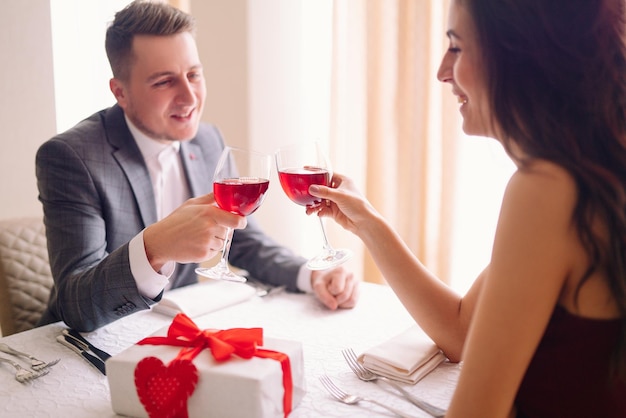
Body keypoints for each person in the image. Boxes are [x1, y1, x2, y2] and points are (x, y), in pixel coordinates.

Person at [307, 0, 626, 416]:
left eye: (456, 47)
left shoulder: (546, 191)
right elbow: (462, 330)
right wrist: (368, 224)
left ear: (519, 54)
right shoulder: (597, 167)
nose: (442, 71)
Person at [35, 0, 359, 333]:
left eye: (194, 75)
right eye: (164, 82)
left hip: (171, 331)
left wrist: (310, 274)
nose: (190, 98)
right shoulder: (70, 156)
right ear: (121, 92)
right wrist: (154, 247)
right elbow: (75, 305)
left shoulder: (208, 140)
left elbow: (243, 240)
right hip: (82, 346)